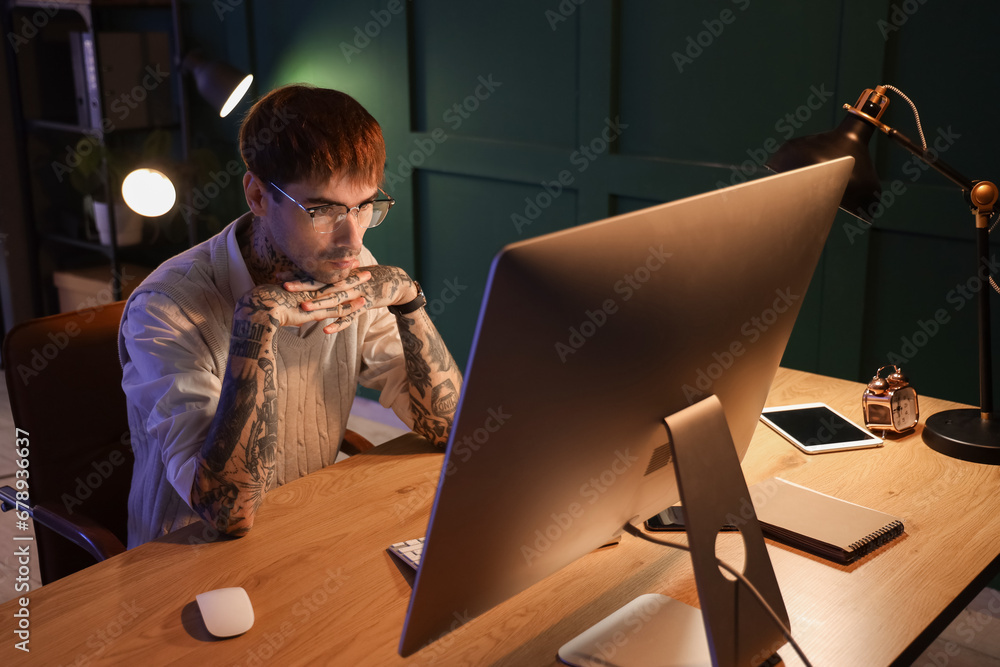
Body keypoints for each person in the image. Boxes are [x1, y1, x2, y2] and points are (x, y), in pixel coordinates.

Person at [119, 85, 462, 548]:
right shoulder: (165, 309)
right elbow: (227, 513)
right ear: (258, 195)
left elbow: (449, 426)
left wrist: (408, 299)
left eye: (365, 208)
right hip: (184, 554)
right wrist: (255, 327)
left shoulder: (348, 267)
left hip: (306, 527)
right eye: (322, 211)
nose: (352, 241)